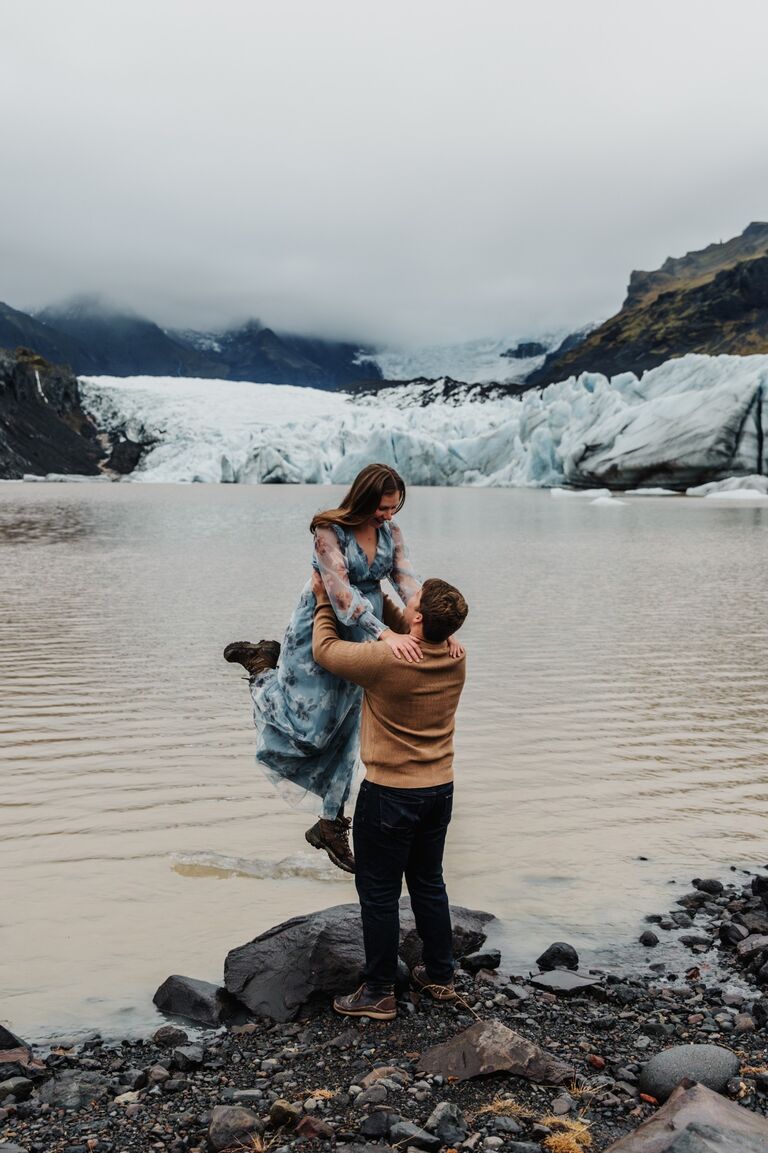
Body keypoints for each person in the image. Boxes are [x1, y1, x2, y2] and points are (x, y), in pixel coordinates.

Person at [223, 463, 464, 875]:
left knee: (350, 728)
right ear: (365, 498)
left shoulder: (391, 533)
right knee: (309, 730)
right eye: (385, 507)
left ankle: (331, 822)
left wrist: (430, 631)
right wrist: (386, 635)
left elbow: (407, 581)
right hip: (324, 623)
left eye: (395, 508)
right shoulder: (328, 532)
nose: (390, 515)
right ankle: (263, 667)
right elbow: (337, 592)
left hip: (368, 631)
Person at [310, 567, 468, 1020]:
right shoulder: (457, 654)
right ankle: (439, 974)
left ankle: (378, 990)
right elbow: (412, 625)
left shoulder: (387, 661)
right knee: (428, 882)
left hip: (391, 795)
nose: (408, 605)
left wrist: (326, 599)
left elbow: (326, 651)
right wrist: (380, 592)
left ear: (418, 621)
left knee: (378, 893)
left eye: (413, 604)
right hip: (439, 790)